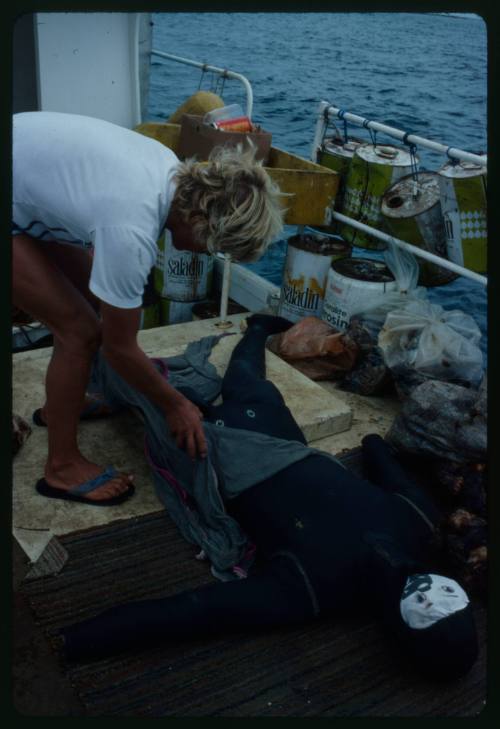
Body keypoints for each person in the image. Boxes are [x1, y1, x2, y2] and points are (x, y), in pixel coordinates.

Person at [61, 315, 478, 680]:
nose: (429, 594)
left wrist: (75, 641)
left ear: (397, 630)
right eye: (448, 600)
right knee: (243, 384)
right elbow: (374, 446)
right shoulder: (417, 526)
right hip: (277, 442)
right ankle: (254, 330)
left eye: (427, 611)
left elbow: (194, 611)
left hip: (220, 457)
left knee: (162, 399)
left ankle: (97, 374)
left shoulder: (314, 590)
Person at [12, 111, 284, 505]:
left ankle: (63, 405)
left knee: (91, 299)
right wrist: (175, 404)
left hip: (24, 182)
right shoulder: (132, 229)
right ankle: (62, 467)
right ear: (200, 220)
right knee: (81, 331)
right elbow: (119, 348)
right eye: (215, 246)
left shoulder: (168, 171)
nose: (209, 254)